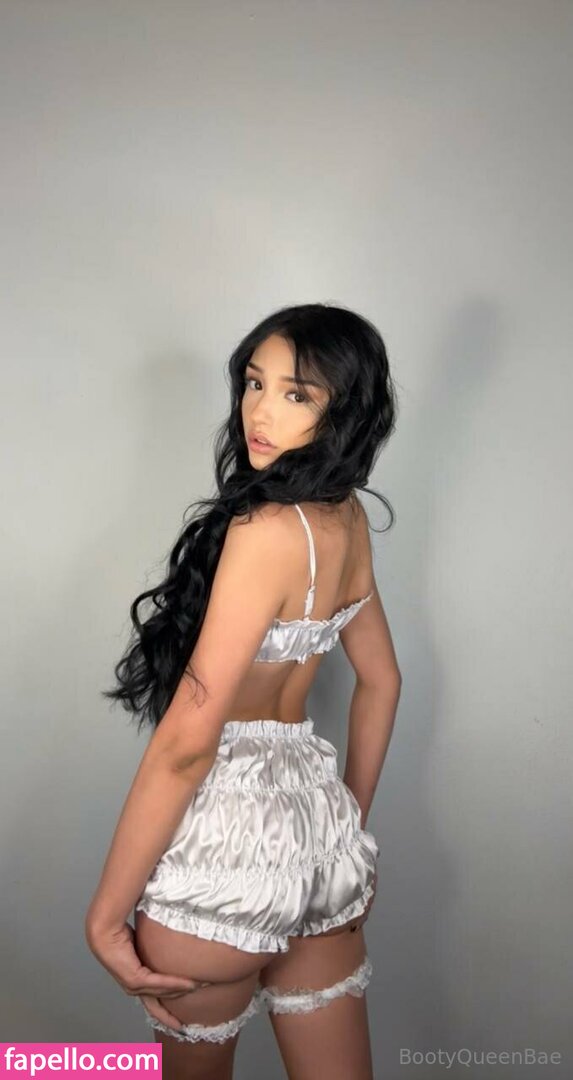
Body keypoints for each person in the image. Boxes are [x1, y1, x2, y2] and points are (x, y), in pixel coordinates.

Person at [85, 302, 402, 1080]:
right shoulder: (346, 519)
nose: (259, 412)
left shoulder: (265, 530)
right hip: (316, 831)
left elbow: (187, 745)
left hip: (224, 839)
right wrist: (347, 831)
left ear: (343, 408)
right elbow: (382, 680)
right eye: (254, 383)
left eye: (296, 394)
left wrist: (106, 918)